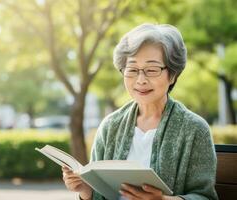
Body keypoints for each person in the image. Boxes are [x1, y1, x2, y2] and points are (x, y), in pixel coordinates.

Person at [62, 23, 218, 200]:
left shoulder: (194, 129)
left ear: (172, 75)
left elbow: (206, 197)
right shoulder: (110, 126)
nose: (141, 80)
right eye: (132, 70)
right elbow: (99, 194)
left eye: (151, 70)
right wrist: (85, 190)